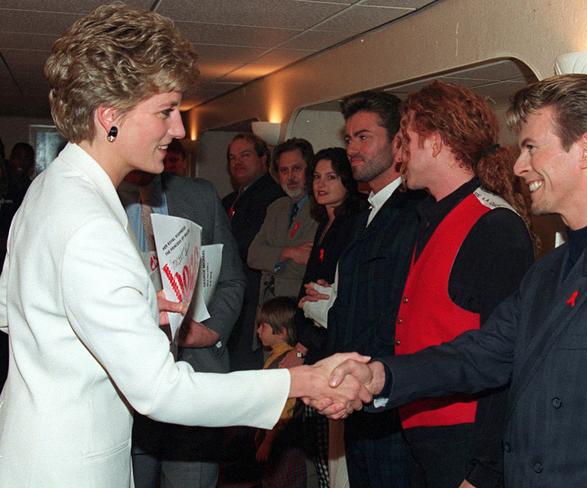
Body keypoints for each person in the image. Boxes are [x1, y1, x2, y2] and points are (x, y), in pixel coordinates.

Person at [0, 5, 368, 487]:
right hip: (73, 464)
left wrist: (132, 310)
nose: (177, 130)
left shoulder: (51, 188)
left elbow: (17, 310)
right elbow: (159, 392)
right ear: (109, 116)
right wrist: (298, 381)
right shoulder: (89, 222)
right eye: (164, 111)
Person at [329, 73, 587, 487]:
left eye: (532, 148)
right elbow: (478, 356)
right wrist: (379, 376)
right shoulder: (548, 271)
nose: (518, 166)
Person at [391, 81, 534, 488]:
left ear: (435, 143)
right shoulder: (431, 215)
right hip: (422, 432)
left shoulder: (494, 226)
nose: (399, 155)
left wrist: (484, 471)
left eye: (408, 140)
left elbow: (508, 359)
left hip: (464, 443)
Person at [303, 91, 423, 488]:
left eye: (364, 137)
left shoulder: (413, 214)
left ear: (398, 142)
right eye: (349, 139)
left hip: (387, 399)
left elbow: (396, 314)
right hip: (358, 397)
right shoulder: (365, 214)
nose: (352, 149)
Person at [118, 168, 245, 488]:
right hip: (123, 388)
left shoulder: (199, 194)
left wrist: (213, 330)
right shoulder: (97, 198)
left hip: (194, 379)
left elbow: (232, 278)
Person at [284, 147, 367, 488]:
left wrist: (304, 345)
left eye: (331, 176)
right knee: (319, 452)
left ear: (347, 179)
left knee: (336, 457)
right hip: (314, 335)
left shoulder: (353, 222)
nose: (321, 184)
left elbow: (339, 295)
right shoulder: (326, 223)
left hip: (334, 342)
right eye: (316, 177)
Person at [223, 133, 285, 371]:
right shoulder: (228, 200)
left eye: (245, 155)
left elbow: (248, 247)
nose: (237, 162)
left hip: (254, 299)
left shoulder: (273, 199)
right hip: (234, 301)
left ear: (263, 159)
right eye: (232, 157)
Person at [248, 138, 319, 311]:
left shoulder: (321, 209)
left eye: (296, 169)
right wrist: (290, 253)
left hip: (296, 307)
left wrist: (271, 260)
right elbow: (253, 255)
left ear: (309, 170)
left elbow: (307, 267)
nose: (290, 177)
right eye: (284, 170)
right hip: (266, 307)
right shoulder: (276, 207)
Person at [255, 297, 308, 488]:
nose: (258, 331)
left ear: (282, 332)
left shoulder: (286, 361)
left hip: (282, 439)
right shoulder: (275, 357)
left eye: (263, 326)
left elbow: (285, 406)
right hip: (272, 434)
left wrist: (268, 440)